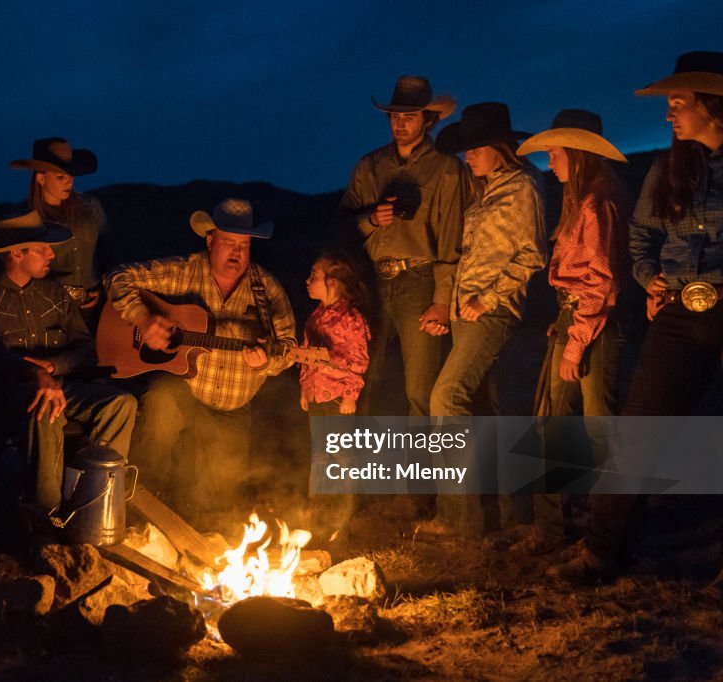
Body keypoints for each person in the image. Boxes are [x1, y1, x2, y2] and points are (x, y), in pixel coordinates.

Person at [548, 52, 723, 584]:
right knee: (640, 429)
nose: (669, 113)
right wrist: (650, 278)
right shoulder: (667, 170)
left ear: (712, 106)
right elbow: (642, 237)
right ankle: (601, 552)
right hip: (676, 314)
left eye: (679, 102)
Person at [104, 198, 297, 508]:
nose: (237, 252)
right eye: (229, 243)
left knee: (216, 504)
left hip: (233, 409)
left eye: (244, 245)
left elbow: (287, 346)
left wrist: (266, 363)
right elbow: (117, 277)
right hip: (186, 391)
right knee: (161, 403)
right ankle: (137, 503)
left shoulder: (267, 289)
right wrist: (143, 317)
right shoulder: (185, 272)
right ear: (210, 240)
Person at [424, 102, 546, 537]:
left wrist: (488, 300)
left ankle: (458, 516)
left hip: (491, 311)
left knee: (446, 396)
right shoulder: (486, 189)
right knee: (481, 406)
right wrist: (451, 307)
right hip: (465, 310)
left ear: (499, 147)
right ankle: (504, 512)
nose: (468, 156)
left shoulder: (523, 186)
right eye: (466, 150)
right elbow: (472, 254)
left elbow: (532, 254)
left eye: (474, 148)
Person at [513, 110, 630, 554]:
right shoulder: (580, 201)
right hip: (573, 319)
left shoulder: (597, 204)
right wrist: (562, 318)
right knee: (553, 424)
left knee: (595, 428)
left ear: (578, 155)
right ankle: (553, 527)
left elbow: (601, 283)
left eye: (555, 153)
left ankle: (603, 534)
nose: (550, 162)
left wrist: (575, 341)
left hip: (592, 326)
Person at [0, 211, 136, 511]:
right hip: (12, 394)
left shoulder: (54, 294)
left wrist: (53, 367)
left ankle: (95, 501)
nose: (51, 253)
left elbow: (84, 347)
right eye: (41, 247)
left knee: (121, 404)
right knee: (47, 408)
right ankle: (47, 515)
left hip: (64, 386)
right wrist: (34, 374)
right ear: (15, 253)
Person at [335, 75, 469, 416]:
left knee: (420, 387)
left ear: (428, 119)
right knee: (359, 376)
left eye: (409, 116)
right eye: (394, 115)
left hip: (419, 281)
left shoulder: (446, 168)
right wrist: (371, 219)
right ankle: (354, 463)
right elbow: (341, 226)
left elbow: (453, 237)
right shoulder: (370, 166)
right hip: (373, 282)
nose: (400, 123)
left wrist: (442, 301)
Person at [11, 138, 108, 326]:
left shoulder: (90, 207)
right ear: (40, 178)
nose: (69, 182)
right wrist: (74, 294)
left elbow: (108, 251)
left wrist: (106, 287)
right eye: (60, 177)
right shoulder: (27, 219)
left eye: (71, 175)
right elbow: (23, 272)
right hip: (51, 309)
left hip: (97, 305)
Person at [300, 251, 371, 416]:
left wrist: (350, 395)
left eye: (313, 276)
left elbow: (358, 359)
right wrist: (305, 386)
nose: (307, 281)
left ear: (332, 283)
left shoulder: (350, 318)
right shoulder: (314, 318)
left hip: (337, 397)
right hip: (315, 396)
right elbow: (305, 355)